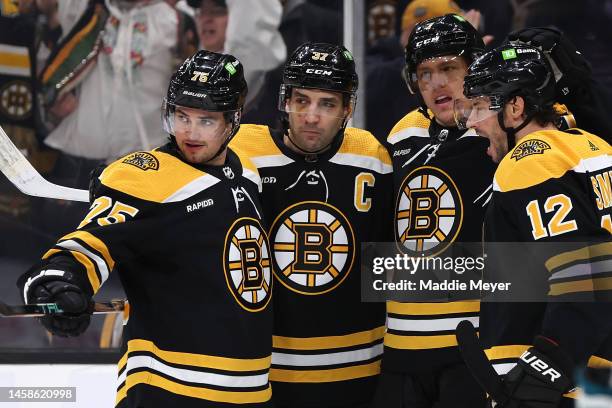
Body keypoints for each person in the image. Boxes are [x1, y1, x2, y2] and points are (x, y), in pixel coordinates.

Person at [17, 50, 274, 408]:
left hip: (251, 390)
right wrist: (57, 282)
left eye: (206, 120)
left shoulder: (246, 171)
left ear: (233, 121)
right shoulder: (145, 176)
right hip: (169, 389)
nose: (190, 132)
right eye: (181, 116)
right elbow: (90, 243)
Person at [230, 42, 393, 408]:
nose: (311, 116)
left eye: (327, 103)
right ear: (285, 100)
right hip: (263, 367)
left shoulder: (369, 156)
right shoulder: (241, 151)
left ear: (348, 108)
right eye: (301, 100)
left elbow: (387, 254)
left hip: (356, 368)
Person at [454, 42, 612, 407]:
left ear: (516, 107)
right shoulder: (593, 146)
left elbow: (585, 276)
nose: (473, 122)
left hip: (562, 384)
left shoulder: (526, 162)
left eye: (480, 106)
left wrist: (546, 364)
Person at [373, 14, 493, 407]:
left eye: (448, 69)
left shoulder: (500, 131)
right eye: (425, 73)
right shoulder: (402, 133)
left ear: (474, 69)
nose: (437, 83)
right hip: (403, 347)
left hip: (474, 348)